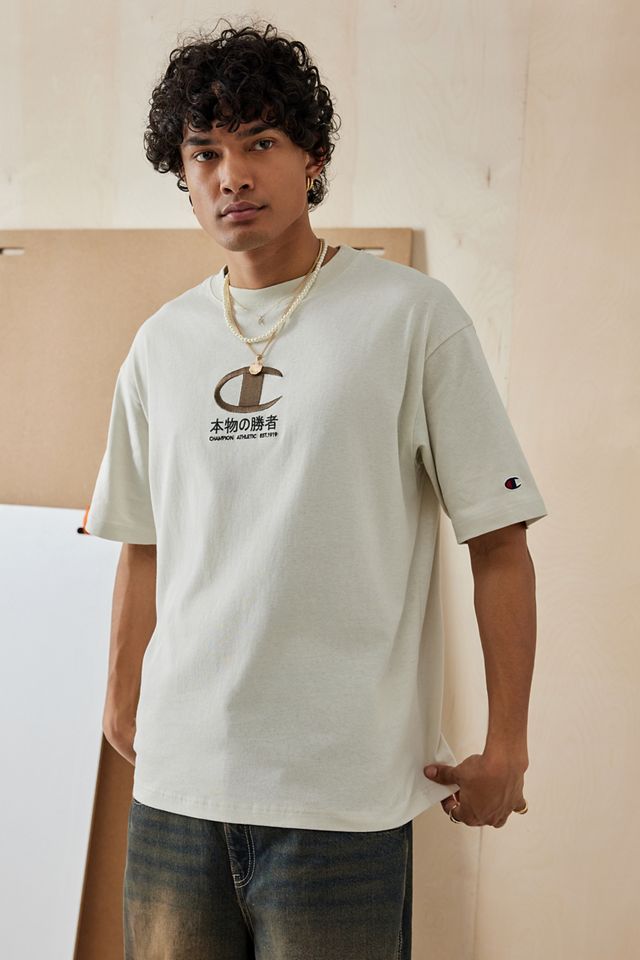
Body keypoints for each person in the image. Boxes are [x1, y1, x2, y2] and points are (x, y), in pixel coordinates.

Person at [85, 16, 548, 960]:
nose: (232, 176)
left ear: (313, 159)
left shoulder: (411, 318)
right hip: (178, 792)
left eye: (260, 143)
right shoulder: (161, 344)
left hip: (341, 798)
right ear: (184, 176)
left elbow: (499, 540)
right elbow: (144, 541)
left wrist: (508, 744)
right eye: (205, 153)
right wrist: (121, 696)